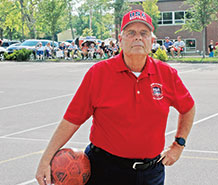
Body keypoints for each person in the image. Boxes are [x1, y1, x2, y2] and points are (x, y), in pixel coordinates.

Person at [36, 9, 195, 185]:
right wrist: (46, 158)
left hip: (151, 173)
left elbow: (188, 108)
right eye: (131, 33)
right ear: (120, 40)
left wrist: (178, 145)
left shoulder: (167, 74)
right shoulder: (99, 73)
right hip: (105, 170)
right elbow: (72, 120)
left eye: (144, 33)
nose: (138, 37)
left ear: (152, 40)